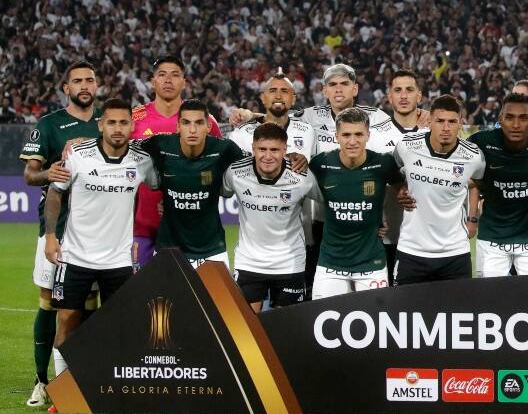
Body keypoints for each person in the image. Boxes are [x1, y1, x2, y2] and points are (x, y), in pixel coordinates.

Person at [42, 98, 156, 382]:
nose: (118, 128)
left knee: (122, 323)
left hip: (118, 259)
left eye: (124, 122)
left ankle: (112, 385)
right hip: (75, 256)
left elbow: (162, 183)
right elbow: (55, 193)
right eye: (112, 122)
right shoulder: (78, 154)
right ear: (100, 125)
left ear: (132, 126)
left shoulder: (142, 160)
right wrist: (51, 237)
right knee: (67, 319)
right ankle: (62, 388)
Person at [19, 61, 101, 406]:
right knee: (50, 304)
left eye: (90, 80)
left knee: (89, 307)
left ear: (97, 86)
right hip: (57, 229)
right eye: (77, 81)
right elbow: (29, 175)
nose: (84, 85)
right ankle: (42, 381)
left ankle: (86, 376)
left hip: (97, 232)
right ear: (66, 89)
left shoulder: (108, 124)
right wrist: (48, 174)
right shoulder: (49, 125)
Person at [130, 56, 222, 270]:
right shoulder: (134, 118)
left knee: (188, 297)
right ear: (153, 82)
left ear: (184, 82)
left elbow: (218, 168)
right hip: (143, 226)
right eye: (162, 75)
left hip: (189, 230)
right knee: (141, 295)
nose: (168, 80)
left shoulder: (203, 122)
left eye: (175, 75)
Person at [139, 99, 246, 269]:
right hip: (167, 249)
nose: (193, 130)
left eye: (199, 123)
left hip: (213, 251)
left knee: (218, 297)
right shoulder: (160, 145)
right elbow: (124, 148)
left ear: (209, 127)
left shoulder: (225, 149)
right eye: (186, 123)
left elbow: (260, 161)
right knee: (166, 297)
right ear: (178, 127)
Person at [307, 107, 401, 298]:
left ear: (368, 135)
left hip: (372, 263)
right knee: (325, 322)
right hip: (330, 264)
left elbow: (401, 187)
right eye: (346, 135)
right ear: (336, 136)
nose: (352, 141)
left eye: (358, 134)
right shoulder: (320, 164)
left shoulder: (383, 164)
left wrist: (384, 219)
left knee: (375, 324)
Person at [392, 95, 486, 284]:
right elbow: (394, 171)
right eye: (440, 121)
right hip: (412, 249)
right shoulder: (407, 146)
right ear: (430, 121)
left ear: (461, 123)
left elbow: (477, 182)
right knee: (404, 311)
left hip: (455, 252)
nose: (446, 128)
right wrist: (400, 189)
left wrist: (473, 218)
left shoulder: (474, 156)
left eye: (452, 121)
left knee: (458, 312)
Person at [469, 93, 528, 277]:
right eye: (509, 117)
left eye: (523, 118)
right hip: (492, 240)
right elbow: (462, 174)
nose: (515, 125)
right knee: (490, 301)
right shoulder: (481, 142)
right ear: (500, 120)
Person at [224, 123, 316, 311]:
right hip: (249, 262)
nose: (267, 156)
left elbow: (330, 201)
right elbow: (218, 193)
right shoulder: (235, 173)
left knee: (285, 330)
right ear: (253, 149)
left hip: (290, 264)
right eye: (262, 149)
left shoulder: (302, 177)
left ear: (285, 150)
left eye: (274, 150)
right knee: (246, 329)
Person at [368, 69, 428, 284]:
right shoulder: (373, 135)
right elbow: (366, 181)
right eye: (398, 90)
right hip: (385, 236)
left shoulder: (434, 133)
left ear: (419, 96)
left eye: (409, 90)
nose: (403, 96)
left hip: (425, 240)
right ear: (389, 96)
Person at [227, 70, 316, 159]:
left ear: (293, 99)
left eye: (284, 91)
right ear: (263, 98)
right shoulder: (240, 134)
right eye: (272, 91)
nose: (278, 96)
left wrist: (252, 114)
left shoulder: (308, 131)